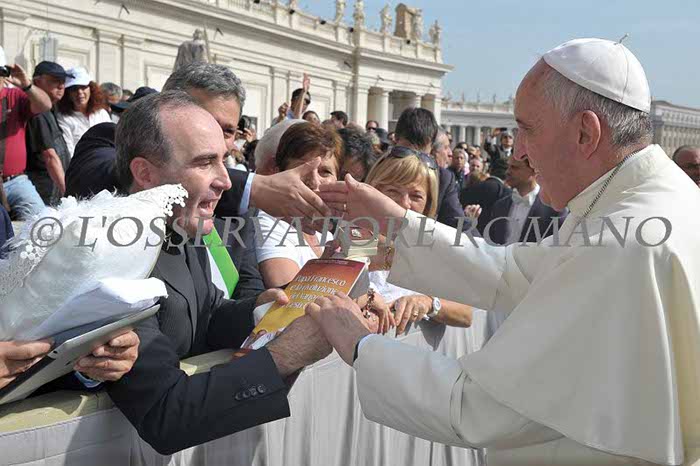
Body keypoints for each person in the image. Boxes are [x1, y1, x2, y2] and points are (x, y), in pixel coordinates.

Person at [313, 38, 700, 465]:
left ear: (585, 133)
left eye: (527, 130)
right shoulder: (647, 200)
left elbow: (484, 407)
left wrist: (361, 346)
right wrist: (398, 227)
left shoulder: (621, 242)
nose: (517, 152)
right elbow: (514, 271)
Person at [108, 91, 332, 455]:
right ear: (145, 173)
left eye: (223, 160)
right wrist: (284, 355)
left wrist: (264, 311)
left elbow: (207, 315)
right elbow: (165, 413)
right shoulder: (113, 259)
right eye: (204, 163)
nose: (226, 181)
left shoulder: (182, 228)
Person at [363, 147, 473, 332]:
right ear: (374, 190)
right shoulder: (355, 235)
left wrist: (428, 303)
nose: (404, 203)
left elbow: (466, 313)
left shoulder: (431, 244)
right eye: (393, 191)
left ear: (428, 204)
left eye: (416, 196)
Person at [256, 122, 343, 288]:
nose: (314, 181)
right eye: (303, 169)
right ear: (279, 173)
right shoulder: (270, 222)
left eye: (325, 172)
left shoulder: (324, 231)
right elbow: (288, 294)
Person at [0, 48, 52, 220]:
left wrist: (27, 85)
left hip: (16, 182)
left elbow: (45, 105)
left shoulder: (14, 96)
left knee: (42, 224)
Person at [394, 108, 466, 230]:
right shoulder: (442, 177)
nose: (405, 204)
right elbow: (460, 225)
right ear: (430, 144)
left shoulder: (443, 178)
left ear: (396, 138)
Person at [479, 156, 567, 245]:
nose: (507, 172)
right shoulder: (500, 206)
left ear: (534, 170)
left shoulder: (553, 209)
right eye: (508, 167)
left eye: (515, 168)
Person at [25, 61, 73, 205]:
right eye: (55, 81)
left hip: (53, 185)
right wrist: (68, 193)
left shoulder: (52, 109)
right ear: (37, 82)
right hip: (44, 187)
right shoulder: (38, 112)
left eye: (63, 81)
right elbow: (49, 156)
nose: (61, 86)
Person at [56, 67, 111, 158]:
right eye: (74, 89)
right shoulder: (63, 118)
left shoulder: (101, 113)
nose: (79, 92)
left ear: (91, 89)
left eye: (83, 87)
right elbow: (69, 149)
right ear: (67, 93)